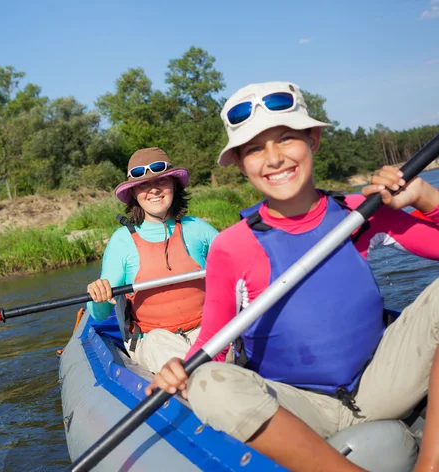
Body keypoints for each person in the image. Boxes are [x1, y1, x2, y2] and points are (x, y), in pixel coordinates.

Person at [146, 81, 439, 472]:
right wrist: (180, 369)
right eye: (254, 148)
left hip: (380, 383)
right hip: (300, 408)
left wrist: (426, 200)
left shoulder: (361, 210)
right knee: (208, 382)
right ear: (239, 162)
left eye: (286, 139)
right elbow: (213, 344)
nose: (273, 158)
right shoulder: (232, 246)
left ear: (313, 139)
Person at [86, 147, 218, 373]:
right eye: (144, 185)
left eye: (162, 181)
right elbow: (99, 314)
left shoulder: (197, 228)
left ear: (174, 185)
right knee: (160, 342)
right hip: (154, 339)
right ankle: (203, 381)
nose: (154, 190)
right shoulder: (121, 242)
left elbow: (238, 271)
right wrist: (98, 295)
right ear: (134, 193)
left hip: (205, 329)